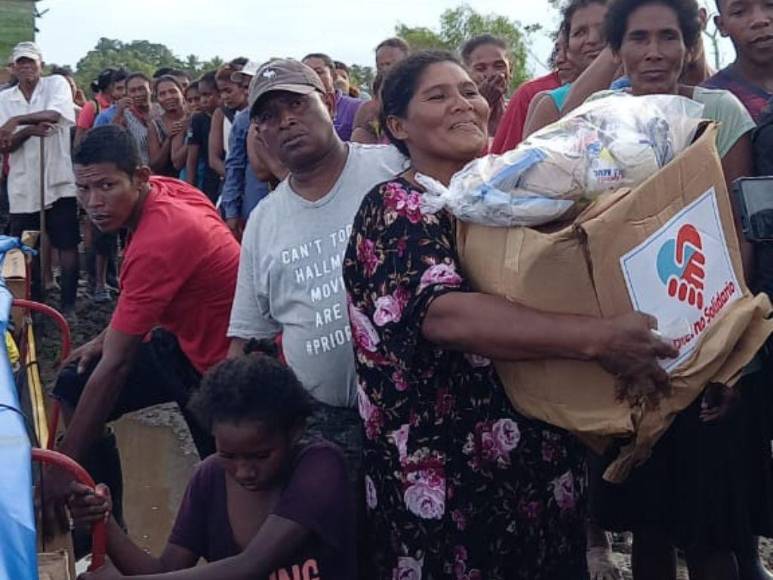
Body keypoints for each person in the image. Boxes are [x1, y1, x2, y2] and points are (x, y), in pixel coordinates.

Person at [343, 49, 677, 579]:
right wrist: (598, 338)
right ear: (397, 126)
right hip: (448, 486)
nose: (462, 104)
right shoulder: (397, 207)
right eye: (437, 96)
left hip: (538, 472)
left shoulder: (512, 196)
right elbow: (443, 315)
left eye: (469, 92)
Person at [585, 2, 770, 579]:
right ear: (617, 47)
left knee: (713, 528)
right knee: (650, 528)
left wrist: (725, 352)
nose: (654, 52)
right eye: (638, 38)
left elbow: (736, 231)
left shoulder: (720, 110)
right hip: (632, 346)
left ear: (690, 42)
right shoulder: (595, 116)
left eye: (669, 36)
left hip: (707, 332)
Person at [49, 125, 240, 525]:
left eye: (106, 186)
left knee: (229, 487)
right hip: (182, 341)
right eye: (84, 190)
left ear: (138, 178)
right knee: (74, 381)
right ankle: (100, 524)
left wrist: (60, 468)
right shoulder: (166, 190)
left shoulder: (160, 238)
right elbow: (146, 299)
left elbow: (117, 366)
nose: (93, 203)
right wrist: (106, 335)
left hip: (221, 367)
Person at [227, 58, 405, 477]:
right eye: (269, 117)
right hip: (328, 426)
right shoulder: (263, 221)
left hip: (418, 411)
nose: (286, 122)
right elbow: (250, 336)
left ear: (328, 102)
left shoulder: (392, 169)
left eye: (297, 105)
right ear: (258, 133)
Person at [70, 344, 356, 580]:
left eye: (260, 456)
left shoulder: (320, 467)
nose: (244, 471)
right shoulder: (209, 477)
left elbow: (252, 565)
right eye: (229, 455)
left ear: (295, 432)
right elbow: (165, 571)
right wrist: (105, 524)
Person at [0, 41, 80, 315]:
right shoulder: (4, 98)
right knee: (24, 247)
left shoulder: (56, 84)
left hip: (57, 178)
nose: (26, 67)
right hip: (23, 184)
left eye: (30, 62)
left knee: (67, 242)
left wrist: (17, 122)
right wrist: (27, 131)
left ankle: (68, 306)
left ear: (40, 65)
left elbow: (55, 114)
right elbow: (4, 144)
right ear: (13, 67)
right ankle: (32, 306)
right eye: (20, 62)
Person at [490, 33, 576, 153]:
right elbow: (509, 160)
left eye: (570, 49)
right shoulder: (533, 94)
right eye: (557, 50)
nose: (560, 59)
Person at [703, 0, 773, 122]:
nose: (759, 20)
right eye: (739, 12)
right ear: (721, 25)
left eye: (771, 5)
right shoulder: (709, 103)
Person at [351, 38, 411, 145]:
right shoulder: (369, 107)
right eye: (380, 65)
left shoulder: (419, 96)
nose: (385, 69)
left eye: (389, 64)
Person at [302, 53, 364, 141]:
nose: (312, 77)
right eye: (307, 73)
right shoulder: (296, 110)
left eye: (318, 72)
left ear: (333, 76)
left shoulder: (357, 107)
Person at [95, 72, 153, 166]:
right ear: (127, 93)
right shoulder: (124, 116)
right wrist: (120, 113)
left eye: (141, 89)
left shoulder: (161, 111)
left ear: (151, 88)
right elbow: (111, 141)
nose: (138, 94)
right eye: (133, 91)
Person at [461, 34, 513, 138]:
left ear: (510, 70)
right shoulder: (456, 114)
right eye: (480, 68)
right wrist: (483, 103)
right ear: (465, 74)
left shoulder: (518, 113)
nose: (491, 74)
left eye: (499, 66)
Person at [185, 71, 221, 203]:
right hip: (210, 179)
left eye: (208, 95)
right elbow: (191, 159)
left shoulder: (232, 117)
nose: (203, 100)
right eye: (201, 95)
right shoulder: (198, 120)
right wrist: (190, 189)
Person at [209, 61, 248, 183]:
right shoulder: (220, 114)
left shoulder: (260, 112)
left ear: (243, 88)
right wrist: (234, 178)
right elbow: (214, 159)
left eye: (228, 91)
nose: (225, 96)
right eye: (221, 92)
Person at [148, 75, 188, 177]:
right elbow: (155, 165)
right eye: (162, 94)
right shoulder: (155, 126)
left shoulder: (194, 117)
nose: (168, 97)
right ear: (157, 99)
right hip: (169, 183)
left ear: (182, 92)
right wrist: (169, 139)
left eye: (173, 91)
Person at [76, 68, 128, 147]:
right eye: (119, 88)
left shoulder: (117, 105)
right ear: (110, 87)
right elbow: (79, 138)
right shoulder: (92, 106)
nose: (123, 92)